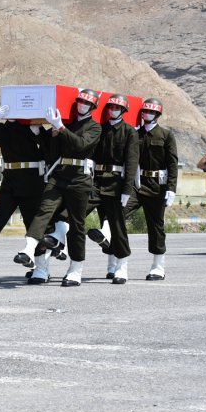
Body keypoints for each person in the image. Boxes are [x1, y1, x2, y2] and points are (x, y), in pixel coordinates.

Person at [0, 104, 64, 283]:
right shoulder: (3, 128)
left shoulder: (34, 126)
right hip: (10, 179)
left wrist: (39, 133)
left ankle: (41, 269)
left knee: (33, 224)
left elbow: (51, 149)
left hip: (32, 179)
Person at [14, 88, 101, 287]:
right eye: (80, 102)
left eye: (86, 103)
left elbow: (80, 145)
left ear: (93, 107)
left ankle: (75, 269)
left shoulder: (95, 128)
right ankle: (29, 249)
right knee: (43, 212)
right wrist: (40, 132)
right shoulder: (66, 123)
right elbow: (52, 150)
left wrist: (60, 127)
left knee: (77, 225)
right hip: (59, 175)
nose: (82, 105)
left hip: (80, 179)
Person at [115, 98, 178, 280]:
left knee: (156, 226)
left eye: (151, 112)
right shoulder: (134, 134)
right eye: (144, 111)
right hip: (136, 184)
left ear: (157, 115)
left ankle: (158, 266)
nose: (146, 114)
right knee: (119, 216)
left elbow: (172, 164)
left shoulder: (166, 135)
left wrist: (171, 188)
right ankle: (121, 266)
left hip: (157, 186)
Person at [81, 94, 139, 284]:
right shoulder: (101, 129)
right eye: (110, 107)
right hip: (97, 182)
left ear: (123, 111)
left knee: (117, 226)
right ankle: (61, 244)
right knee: (77, 212)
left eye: (116, 108)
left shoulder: (130, 132)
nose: (112, 110)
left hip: (116, 184)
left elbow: (131, 163)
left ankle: (121, 268)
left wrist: (127, 190)